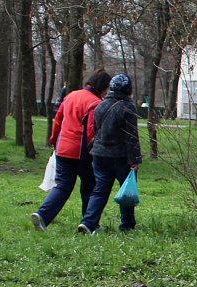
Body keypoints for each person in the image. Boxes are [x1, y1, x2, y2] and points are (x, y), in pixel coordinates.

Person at [31, 69, 111, 232]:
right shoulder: (95, 103)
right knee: (90, 187)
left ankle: (42, 215)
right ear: (103, 87)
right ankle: (89, 223)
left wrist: (54, 142)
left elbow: (58, 121)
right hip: (82, 152)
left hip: (63, 148)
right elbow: (92, 131)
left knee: (62, 186)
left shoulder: (70, 96)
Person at [80, 73, 141, 234]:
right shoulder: (128, 108)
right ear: (128, 90)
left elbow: (95, 129)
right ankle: (127, 225)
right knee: (126, 190)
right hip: (121, 157)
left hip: (99, 155)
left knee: (99, 190)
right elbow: (132, 137)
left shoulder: (100, 105)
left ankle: (88, 222)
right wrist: (134, 159)